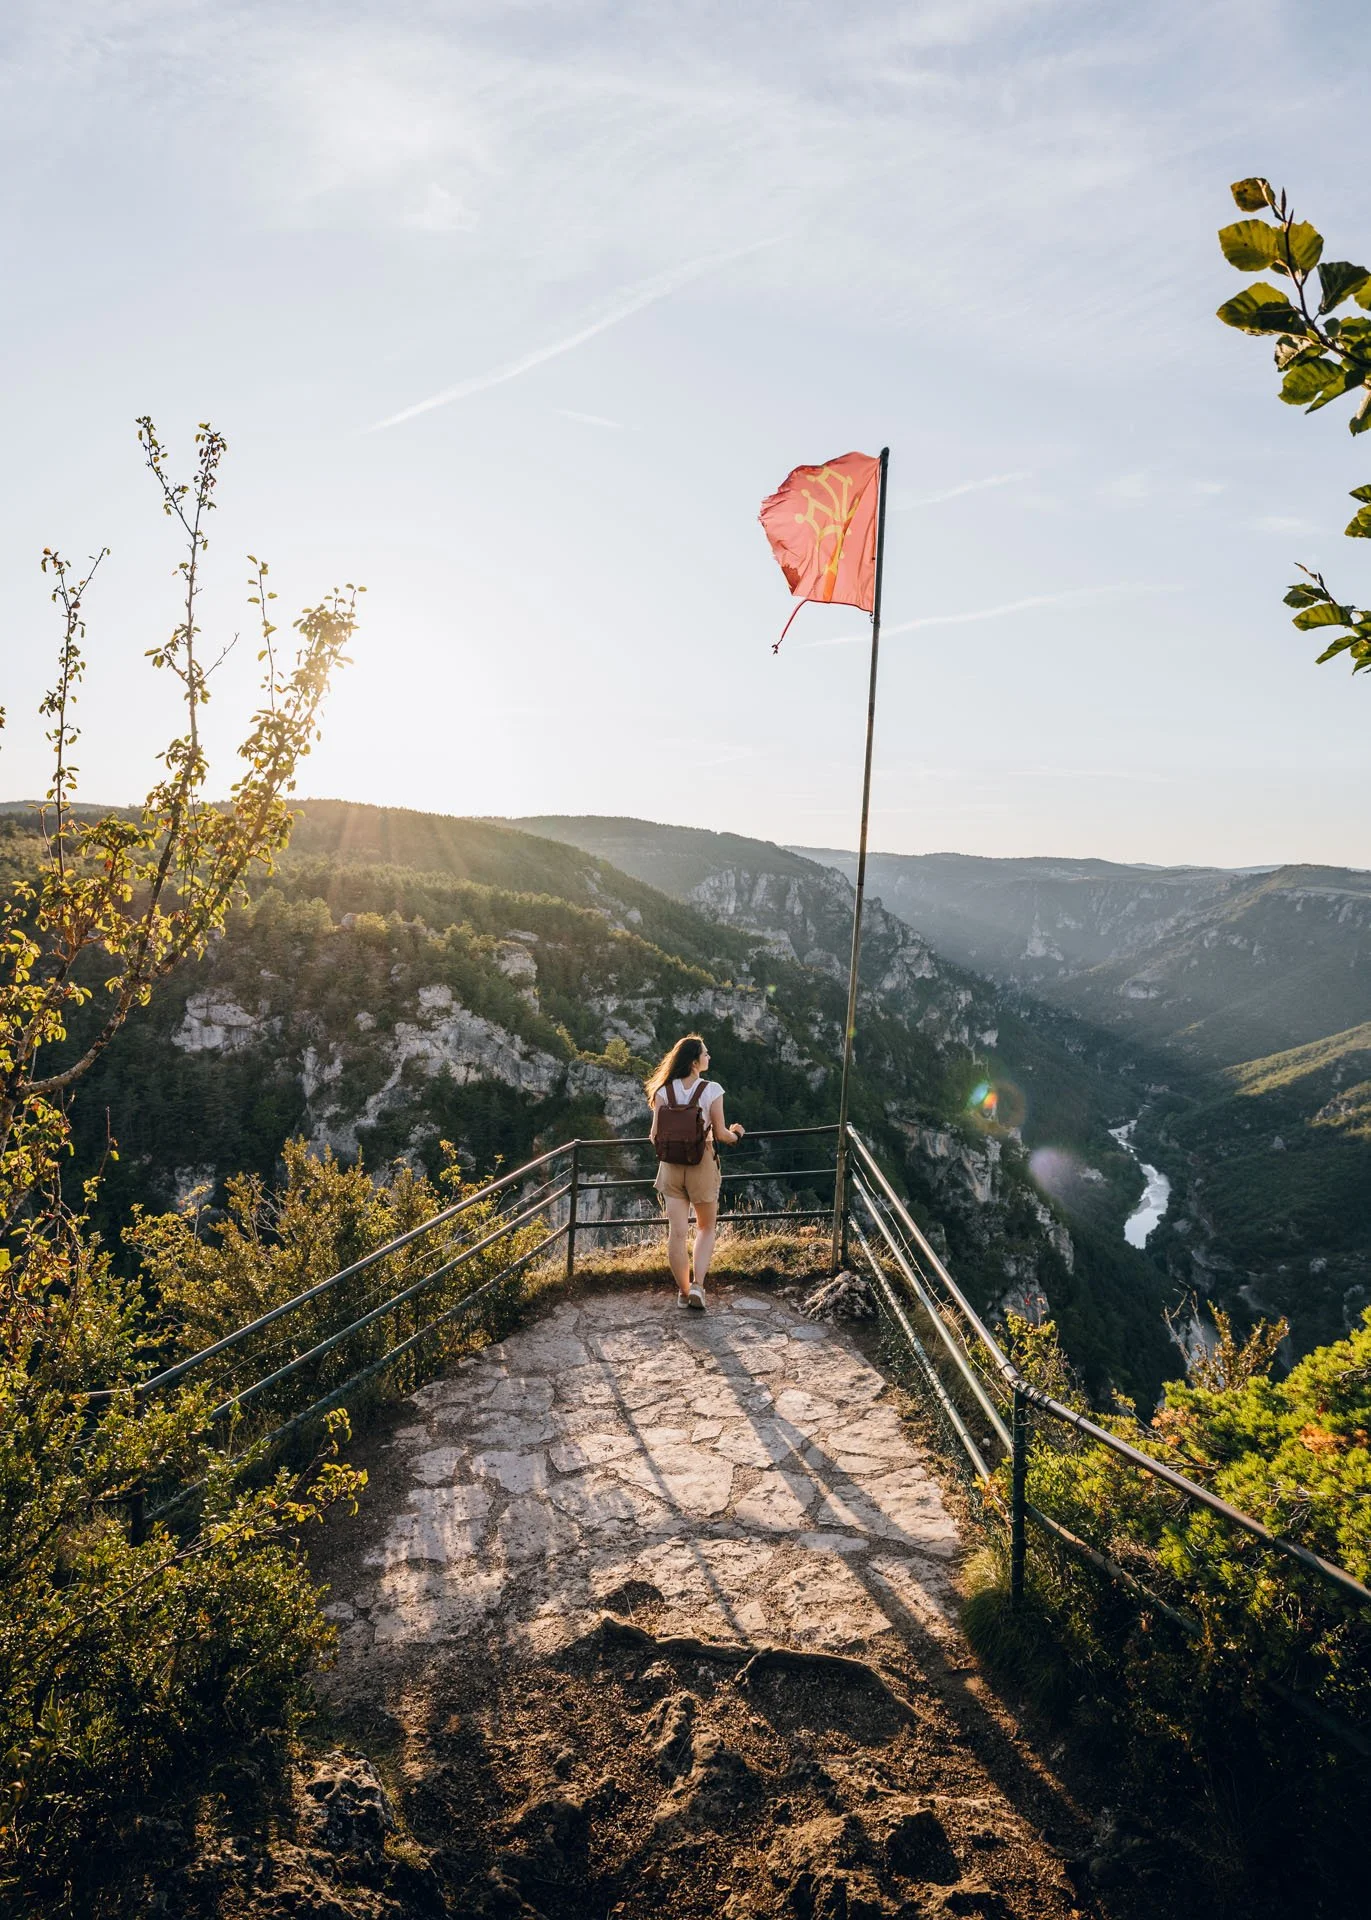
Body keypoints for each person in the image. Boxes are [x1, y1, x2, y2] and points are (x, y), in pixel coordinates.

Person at [646, 1033, 745, 1310]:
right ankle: (698, 1286)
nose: (709, 1057)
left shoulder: (663, 1091)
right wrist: (738, 1134)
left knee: (676, 1234)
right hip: (701, 1163)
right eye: (705, 1053)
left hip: (670, 1167)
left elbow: (654, 1136)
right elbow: (721, 1134)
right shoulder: (712, 1089)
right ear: (694, 1062)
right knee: (706, 1227)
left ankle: (682, 1291)